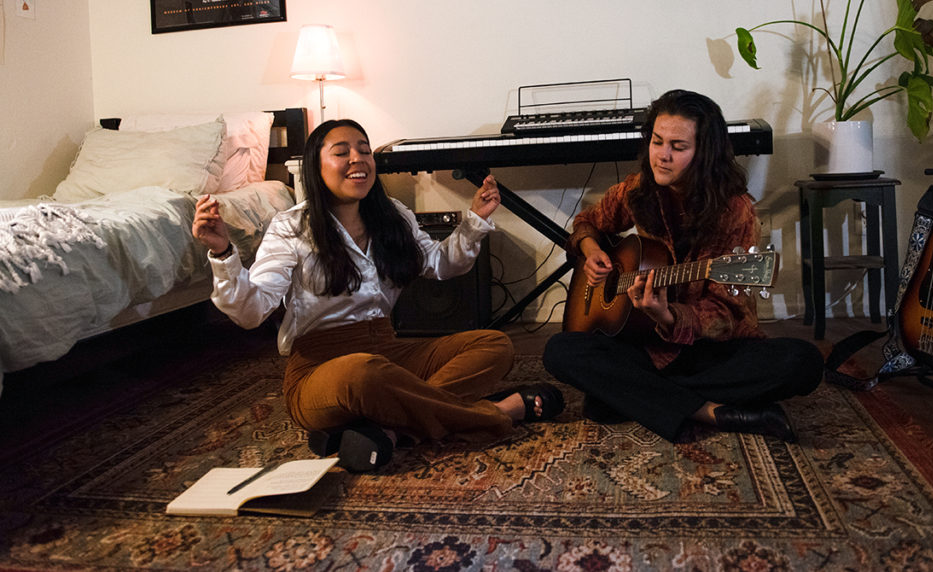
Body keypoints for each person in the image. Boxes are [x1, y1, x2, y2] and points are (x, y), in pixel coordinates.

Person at [192, 119, 564, 472]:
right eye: (341, 152)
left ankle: (391, 430)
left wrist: (475, 221)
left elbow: (440, 265)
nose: (358, 159)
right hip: (322, 369)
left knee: (494, 345)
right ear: (315, 167)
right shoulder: (291, 227)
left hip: (390, 353)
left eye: (364, 150)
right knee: (363, 373)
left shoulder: (394, 216)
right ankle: (502, 412)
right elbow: (251, 311)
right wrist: (225, 254)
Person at [543, 90, 823, 443]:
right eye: (657, 142)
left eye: (678, 146)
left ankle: (626, 395)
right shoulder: (638, 189)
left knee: (803, 362)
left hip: (709, 351)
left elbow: (726, 315)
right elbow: (587, 221)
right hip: (644, 344)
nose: (662, 156)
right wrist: (590, 247)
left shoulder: (735, 212)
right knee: (560, 350)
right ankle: (710, 411)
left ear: (703, 152)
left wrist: (666, 316)